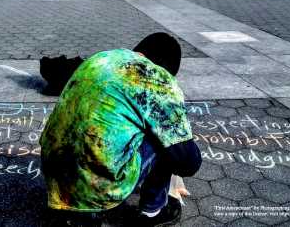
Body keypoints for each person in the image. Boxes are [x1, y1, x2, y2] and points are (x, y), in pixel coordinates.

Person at [39, 33, 201, 226]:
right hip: (98, 186)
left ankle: (78, 210)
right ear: (166, 68)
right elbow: (188, 163)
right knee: (168, 140)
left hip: (54, 172)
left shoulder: (100, 58)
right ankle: (152, 212)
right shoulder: (158, 79)